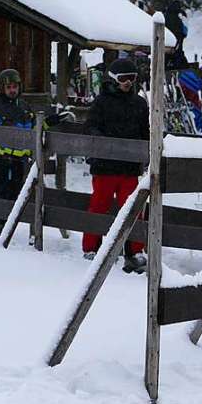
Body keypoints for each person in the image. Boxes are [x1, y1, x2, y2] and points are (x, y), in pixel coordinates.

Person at [82, 58, 151, 273]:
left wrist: (147, 151)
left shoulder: (139, 104)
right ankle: (92, 247)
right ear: (113, 80)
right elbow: (90, 127)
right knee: (99, 205)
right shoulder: (102, 102)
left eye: (132, 78)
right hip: (105, 167)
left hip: (129, 168)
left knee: (132, 208)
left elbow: (144, 131)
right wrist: (101, 143)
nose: (128, 83)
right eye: (123, 79)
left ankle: (134, 251)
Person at [0, 68, 39, 239]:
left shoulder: (25, 107)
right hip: (2, 160)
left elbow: (36, 127)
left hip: (20, 160)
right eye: (8, 87)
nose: (12, 90)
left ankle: (1, 230)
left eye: (15, 87)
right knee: (2, 195)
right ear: (2, 89)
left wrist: (53, 120)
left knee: (15, 196)